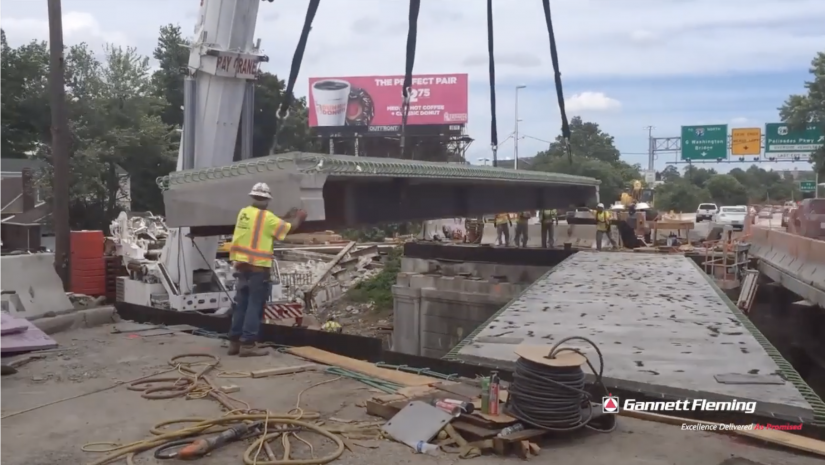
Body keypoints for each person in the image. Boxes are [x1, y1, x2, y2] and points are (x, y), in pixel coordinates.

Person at [228, 182, 306, 357]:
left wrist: (285, 216)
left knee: (241, 305)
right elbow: (289, 229)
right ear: (268, 199)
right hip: (258, 268)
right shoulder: (268, 218)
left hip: (241, 266)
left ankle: (234, 343)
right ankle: (248, 345)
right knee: (254, 306)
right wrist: (299, 217)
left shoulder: (245, 213)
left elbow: (265, 223)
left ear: (253, 196)